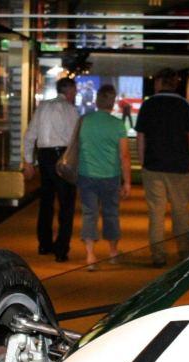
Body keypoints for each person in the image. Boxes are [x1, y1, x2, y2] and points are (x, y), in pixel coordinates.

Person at [134, 67, 189, 267]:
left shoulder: (148, 105)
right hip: (180, 167)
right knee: (180, 211)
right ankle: (185, 253)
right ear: (175, 83)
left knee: (156, 212)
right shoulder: (186, 106)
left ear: (160, 83)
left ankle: (158, 255)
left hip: (153, 166)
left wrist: (143, 161)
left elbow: (141, 137)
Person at [22, 77, 79, 262]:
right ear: (69, 91)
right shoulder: (70, 110)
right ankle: (61, 249)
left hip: (44, 156)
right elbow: (75, 139)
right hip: (63, 157)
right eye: (75, 91)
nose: (76, 94)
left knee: (46, 203)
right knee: (66, 204)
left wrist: (29, 161)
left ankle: (44, 244)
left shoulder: (43, 107)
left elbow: (30, 135)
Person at [77, 84, 131, 267]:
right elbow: (124, 155)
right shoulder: (117, 125)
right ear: (112, 102)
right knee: (111, 213)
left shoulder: (84, 121)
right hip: (110, 176)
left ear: (97, 100)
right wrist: (127, 182)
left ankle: (90, 256)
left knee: (89, 213)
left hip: (86, 174)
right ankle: (113, 252)